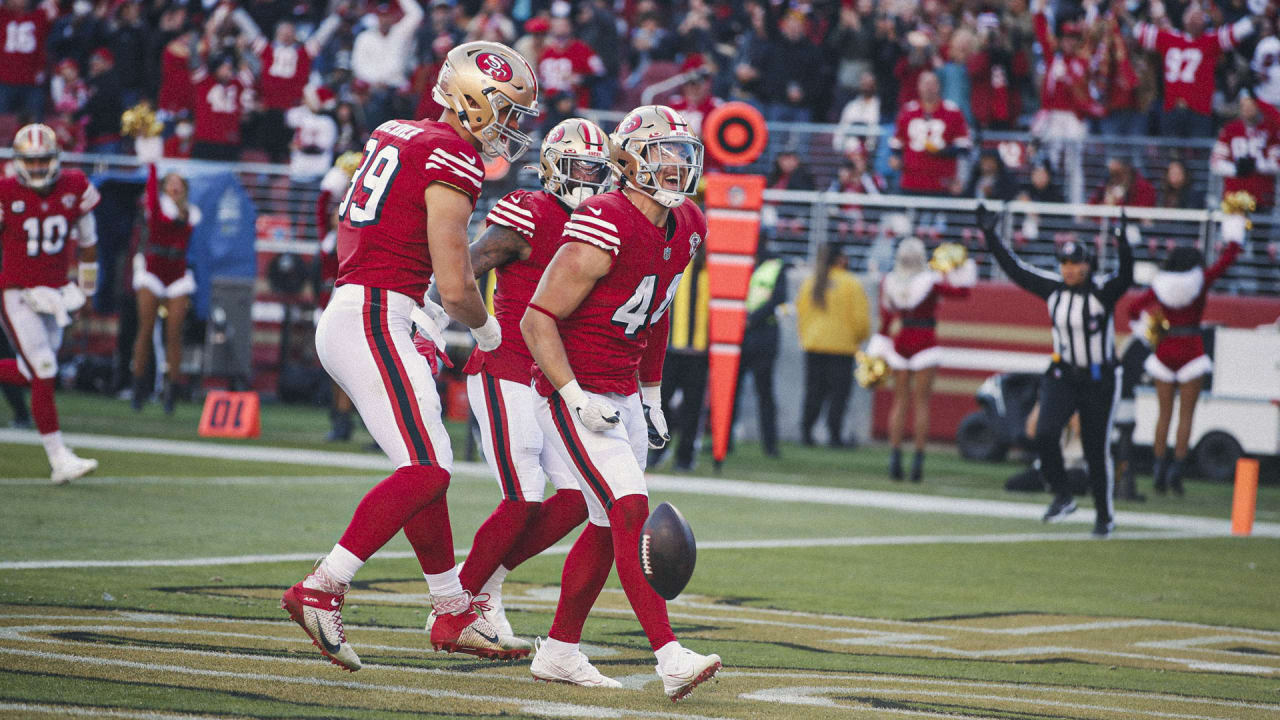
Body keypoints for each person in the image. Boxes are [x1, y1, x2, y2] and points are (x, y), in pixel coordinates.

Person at [280, 41, 540, 671]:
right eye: (505, 110)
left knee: (426, 466)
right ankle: (324, 586)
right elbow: (457, 283)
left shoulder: (399, 131)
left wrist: (418, 314)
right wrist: (488, 335)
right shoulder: (452, 153)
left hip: (368, 304)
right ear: (473, 101)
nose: (511, 126)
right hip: (374, 313)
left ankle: (452, 610)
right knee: (428, 469)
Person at [519, 105, 722, 698]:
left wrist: (653, 395)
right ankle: (669, 657)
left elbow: (655, 314)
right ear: (630, 160)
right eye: (664, 152)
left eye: (683, 152)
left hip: (624, 391)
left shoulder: (686, 223)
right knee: (631, 508)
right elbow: (538, 320)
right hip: (570, 388)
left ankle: (558, 651)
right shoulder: (603, 220)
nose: (677, 164)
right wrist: (573, 395)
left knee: (608, 528)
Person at [447, 118, 616, 646]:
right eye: (578, 165)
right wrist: (463, 324)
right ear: (551, 168)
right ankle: (453, 607)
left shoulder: (602, 223)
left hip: (553, 379)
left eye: (596, 168)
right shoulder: (530, 209)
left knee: (576, 498)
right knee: (523, 496)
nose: (588, 177)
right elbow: (466, 265)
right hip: (509, 369)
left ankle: (485, 587)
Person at [977, 204, 1134, 538]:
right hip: (1062, 374)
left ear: (1087, 264)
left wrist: (1123, 244)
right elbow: (1014, 269)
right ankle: (1062, 495)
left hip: (1098, 378)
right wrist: (990, 235)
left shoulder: (1102, 292)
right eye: (1064, 262)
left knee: (1094, 448)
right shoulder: (1053, 290)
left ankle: (1105, 516)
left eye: (1075, 262)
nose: (1069, 269)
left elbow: (1126, 278)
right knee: (1045, 432)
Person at [0, 124, 100, 484]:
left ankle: (60, 457)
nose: (39, 168)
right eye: (32, 161)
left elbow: (89, 244)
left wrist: (87, 290)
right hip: (18, 291)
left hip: (56, 292)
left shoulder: (75, 186)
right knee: (43, 369)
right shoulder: (5, 192)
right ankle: (59, 458)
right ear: (19, 161)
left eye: (44, 160)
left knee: (33, 372)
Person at [1126, 226, 1244, 494]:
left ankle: (1158, 468)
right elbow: (1226, 261)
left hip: (1165, 349)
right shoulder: (1199, 280)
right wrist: (1236, 238)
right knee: (1186, 416)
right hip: (1191, 347)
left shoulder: (1160, 285)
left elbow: (1132, 310)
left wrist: (1148, 333)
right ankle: (1176, 472)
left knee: (1163, 415)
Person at [869, 237, 975, 482]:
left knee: (900, 402)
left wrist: (877, 352)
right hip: (925, 339)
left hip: (901, 339)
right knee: (922, 404)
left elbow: (885, 323)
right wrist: (959, 267)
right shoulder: (930, 281)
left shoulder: (890, 282)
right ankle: (917, 461)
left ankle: (895, 457)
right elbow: (962, 292)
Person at [130, 163, 200, 415]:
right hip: (152, 271)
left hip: (178, 274)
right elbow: (153, 200)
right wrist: (151, 164)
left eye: (178, 183)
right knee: (146, 330)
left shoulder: (191, 213)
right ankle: (138, 389)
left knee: (174, 334)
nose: (175, 186)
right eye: (170, 182)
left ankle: (171, 392)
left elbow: (184, 227)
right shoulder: (156, 207)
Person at [1134, 4, 1254, 138]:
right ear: (1184, 19)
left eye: (1198, 16)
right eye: (1191, 15)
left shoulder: (1210, 40)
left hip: (1199, 112)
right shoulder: (1170, 38)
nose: (1194, 19)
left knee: (1198, 154)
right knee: (1171, 155)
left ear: (1204, 21)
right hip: (1172, 109)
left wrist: (1261, 13)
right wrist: (1123, 13)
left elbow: (1239, 31)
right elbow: (1139, 31)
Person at [794, 243, 870, 448]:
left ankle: (806, 432)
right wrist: (858, 338)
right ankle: (834, 436)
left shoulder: (811, 282)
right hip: (841, 348)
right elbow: (861, 320)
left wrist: (807, 336)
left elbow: (800, 313)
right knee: (838, 395)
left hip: (814, 345)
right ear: (840, 259)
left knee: (813, 392)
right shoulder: (851, 284)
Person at [656, 243, 708, 471]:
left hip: (698, 352)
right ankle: (658, 450)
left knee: (693, 407)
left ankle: (685, 456)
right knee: (660, 404)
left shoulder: (712, 273)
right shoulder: (674, 267)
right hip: (670, 350)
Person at [734, 249, 787, 458]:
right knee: (731, 393)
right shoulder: (740, 261)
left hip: (763, 335)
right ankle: (723, 441)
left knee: (764, 393)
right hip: (741, 336)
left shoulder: (774, 267)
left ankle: (770, 444)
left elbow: (779, 299)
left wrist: (751, 319)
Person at [890, 70, 971, 197]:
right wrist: (895, 159)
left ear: (938, 86)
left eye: (932, 84)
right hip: (911, 182)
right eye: (925, 84)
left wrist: (942, 151)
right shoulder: (908, 110)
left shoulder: (952, 111)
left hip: (942, 182)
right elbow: (896, 144)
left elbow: (964, 148)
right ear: (918, 86)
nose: (928, 88)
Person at [1210, 94, 1280, 211]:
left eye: (1251, 105)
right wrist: (1236, 169)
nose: (1247, 109)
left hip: (1262, 195)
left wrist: (1256, 166)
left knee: (1261, 227)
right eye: (1244, 105)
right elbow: (1215, 163)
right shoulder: (1230, 130)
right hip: (1234, 197)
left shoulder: (1269, 130)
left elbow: (1277, 163)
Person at [0, 0, 55, 120]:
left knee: (34, 123)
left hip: (31, 82)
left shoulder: (39, 17)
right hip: (4, 81)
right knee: (3, 124)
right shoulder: (3, 17)